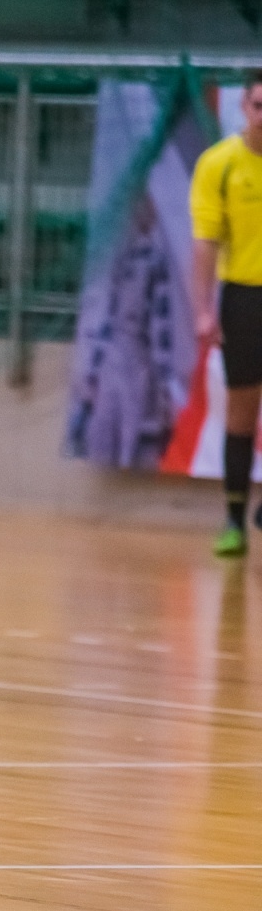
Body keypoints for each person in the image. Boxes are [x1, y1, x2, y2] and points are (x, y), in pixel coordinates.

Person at [192, 71, 262, 557]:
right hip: (244, 299)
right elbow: (203, 244)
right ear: (245, 107)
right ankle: (234, 522)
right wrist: (202, 311)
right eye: (260, 106)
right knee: (242, 412)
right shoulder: (219, 164)